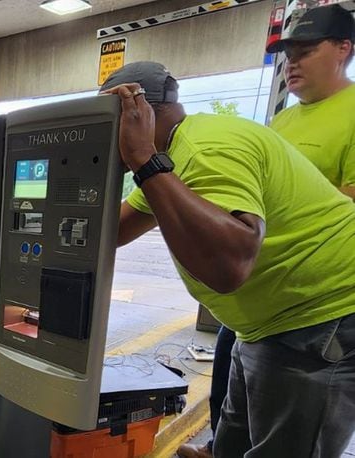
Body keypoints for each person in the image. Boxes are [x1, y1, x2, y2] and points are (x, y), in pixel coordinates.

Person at [100, 61, 355, 458]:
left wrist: (142, 159)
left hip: (318, 317)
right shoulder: (175, 158)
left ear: (135, 114)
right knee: (233, 437)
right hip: (266, 322)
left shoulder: (202, 149)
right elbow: (111, 232)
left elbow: (227, 267)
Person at [177, 5, 355, 457]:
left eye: (304, 51)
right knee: (233, 394)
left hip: (317, 307)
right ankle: (222, 446)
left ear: (343, 50)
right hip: (264, 300)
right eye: (286, 54)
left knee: (294, 436)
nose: (290, 63)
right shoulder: (285, 120)